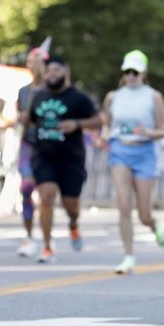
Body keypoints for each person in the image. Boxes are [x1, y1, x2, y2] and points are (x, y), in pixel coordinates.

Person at [28, 55, 103, 263]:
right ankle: (47, 246)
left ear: (66, 73)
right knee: (46, 196)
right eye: (49, 71)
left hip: (71, 159)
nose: (52, 75)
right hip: (44, 156)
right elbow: (31, 121)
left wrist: (77, 124)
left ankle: (73, 223)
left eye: (57, 71)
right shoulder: (38, 96)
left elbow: (98, 120)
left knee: (71, 205)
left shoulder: (78, 98)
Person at [103, 49, 164, 274]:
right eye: (127, 71)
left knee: (143, 213)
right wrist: (104, 134)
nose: (131, 76)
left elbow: (163, 130)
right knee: (123, 204)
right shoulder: (113, 96)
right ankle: (128, 256)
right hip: (120, 150)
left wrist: (147, 132)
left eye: (135, 72)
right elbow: (107, 123)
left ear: (143, 73)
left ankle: (154, 225)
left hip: (144, 152)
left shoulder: (153, 96)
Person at [15, 47, 46, 257]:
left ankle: (47, 236)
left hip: (48, 145)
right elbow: (19, 115)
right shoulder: (24, 91)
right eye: (28, 61)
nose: (30, 65)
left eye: (34, 61)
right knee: (26, 188)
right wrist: (22, 119)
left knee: (46, 192)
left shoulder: (51, 89)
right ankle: (29, 236)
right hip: (28, 144)